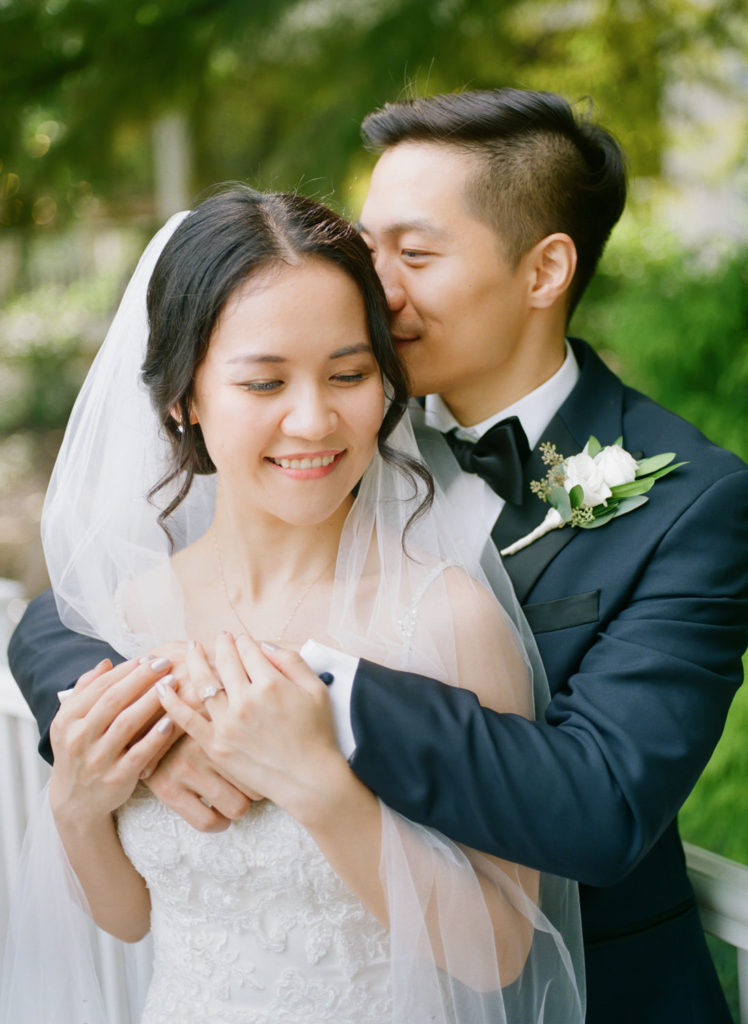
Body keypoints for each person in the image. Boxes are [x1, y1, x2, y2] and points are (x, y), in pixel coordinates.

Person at [9, 87, 748, 1022]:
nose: (376, 284)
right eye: (369, 246)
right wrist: (140, 722)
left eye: (416, 253)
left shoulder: (688, 504)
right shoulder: (327, 431)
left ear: (545, 270)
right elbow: (68, 612)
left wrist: (319, 699)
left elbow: (599, 804)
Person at [1, 186, 584, 1023]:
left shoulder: (447, 619)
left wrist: (317, 785)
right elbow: (129, 918)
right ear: (183, 398)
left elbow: (499, 954)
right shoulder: (131, 614)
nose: (313, 421)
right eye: (264, 382)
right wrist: (78, 805)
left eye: (349, 374)